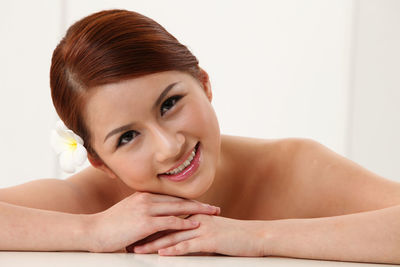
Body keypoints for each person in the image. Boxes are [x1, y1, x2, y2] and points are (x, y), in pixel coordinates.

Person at [1, 9, 400, 263]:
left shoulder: (293, 167)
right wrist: (92, 232)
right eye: (127, 138)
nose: (169, 146)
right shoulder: (96, 203)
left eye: (169, 104)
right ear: (99, 161)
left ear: (204, 84)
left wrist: (255, 236)